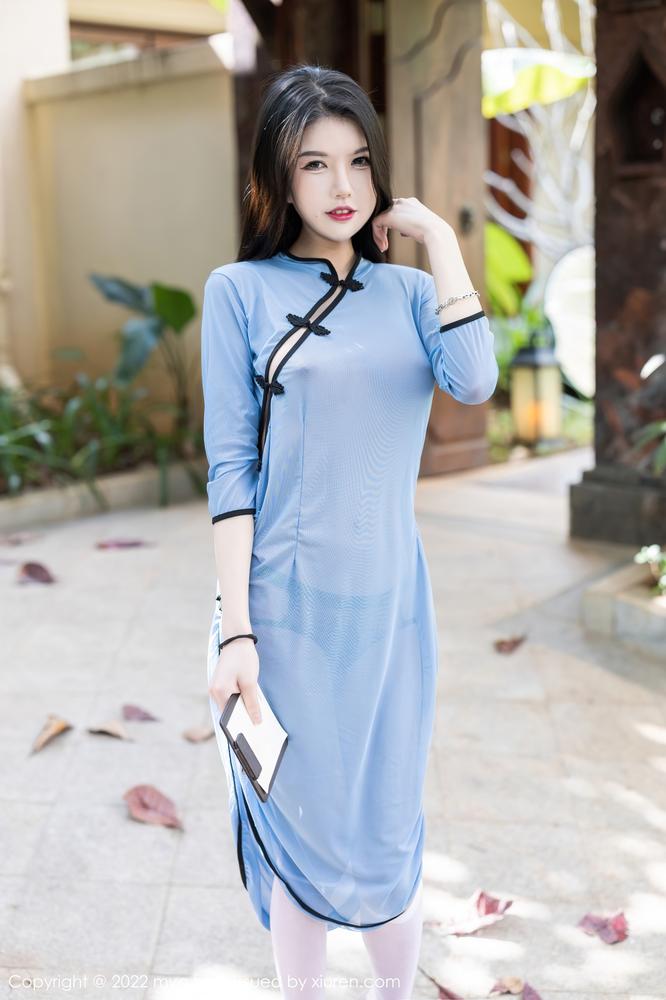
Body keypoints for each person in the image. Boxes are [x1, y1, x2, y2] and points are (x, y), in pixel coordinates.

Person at [203, 64, 498, 1000]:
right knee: (306, 829)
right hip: (283, 610)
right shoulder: (238, 291)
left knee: (385, 827)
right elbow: (231, 473)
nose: (342, 185)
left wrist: (439, 238)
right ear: (278, 176)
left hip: (392, 607)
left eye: (358, 161)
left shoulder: (410, 293)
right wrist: (238, 632)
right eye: (315, 164)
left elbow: (475, 379)